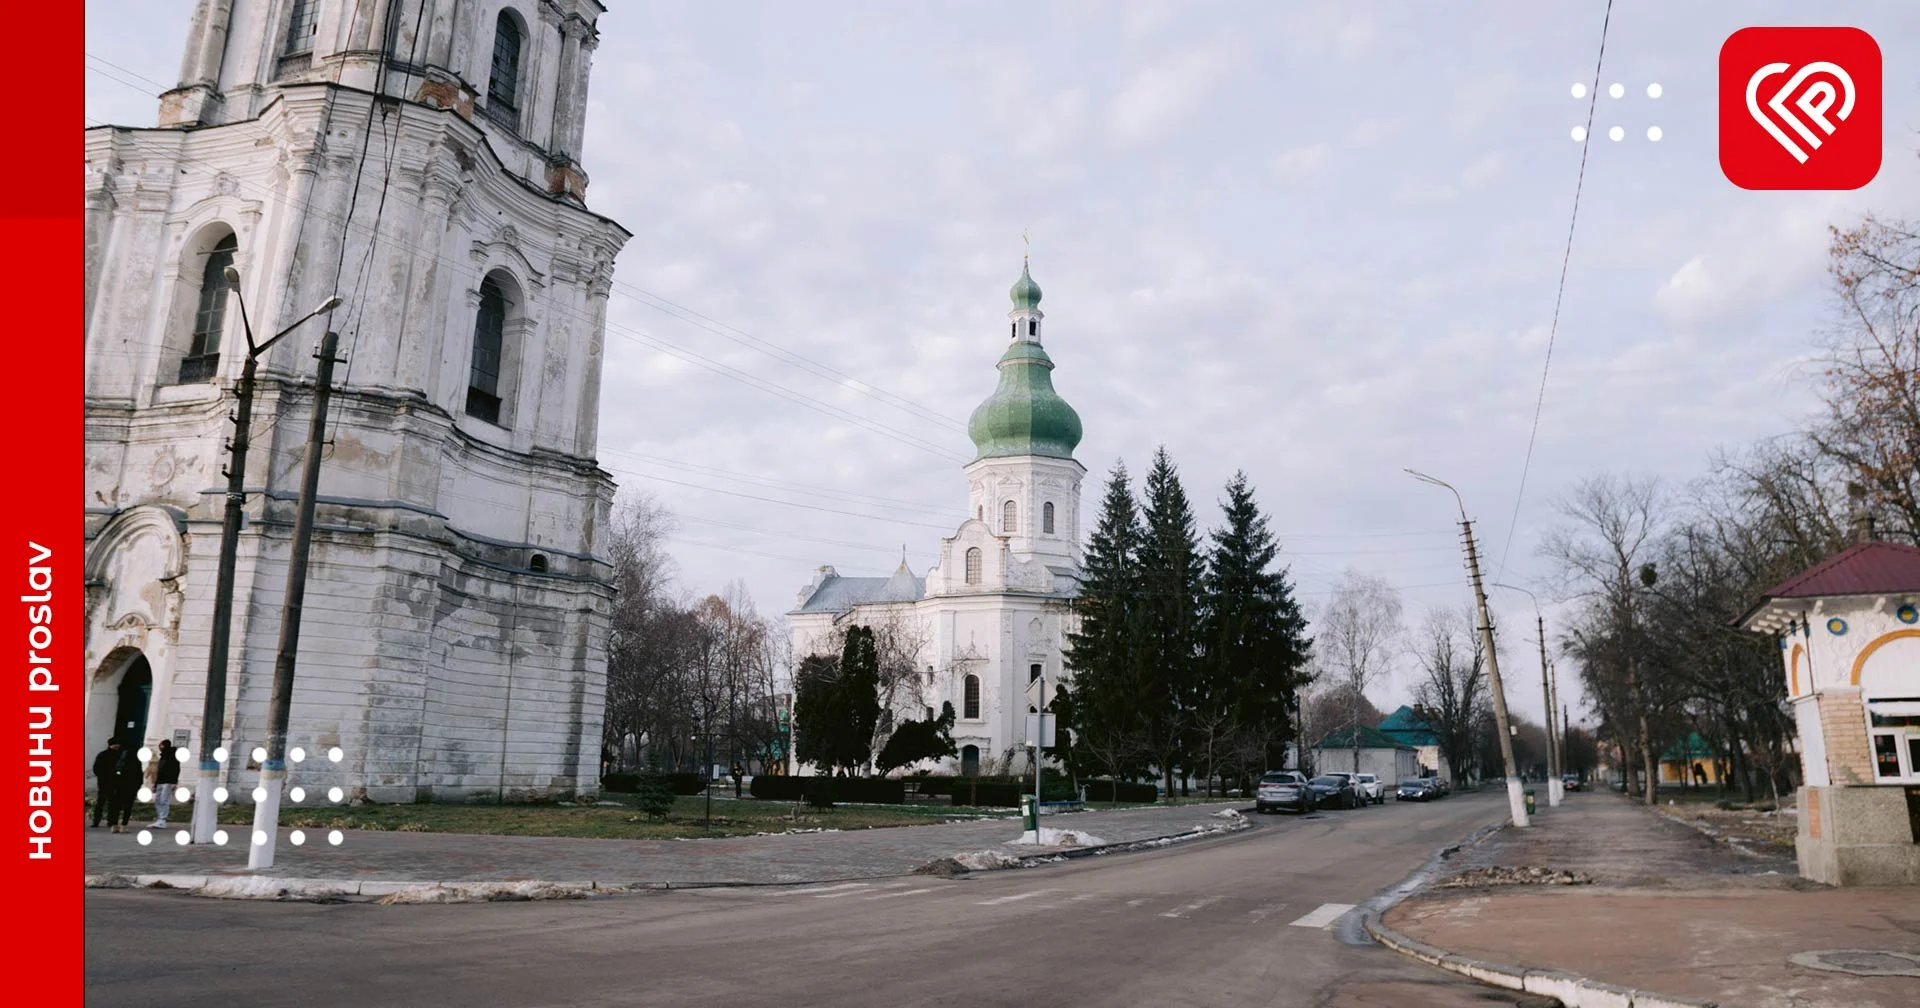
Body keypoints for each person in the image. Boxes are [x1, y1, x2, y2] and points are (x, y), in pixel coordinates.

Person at [105, 740, 140, 833]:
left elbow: (114, 774)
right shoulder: (136, 762)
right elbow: (139, 776)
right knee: (127, 807)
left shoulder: (119, 760)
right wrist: (137, 787)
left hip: (119, 787)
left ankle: (114, 825)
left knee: (116, 807)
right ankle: (123, 826)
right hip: (131, 787)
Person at [91, 739, 125, 828]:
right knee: (112, 803)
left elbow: (96, 768)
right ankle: (111, 821)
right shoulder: (118, 756)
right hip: (113, 783)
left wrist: (101, 777)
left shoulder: (102, 755)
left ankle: (96, 821)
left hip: (103, 782)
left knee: (101, 803)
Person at [149, 739, 181, 828]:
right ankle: (160, 818)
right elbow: (159, 772)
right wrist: (155, 784)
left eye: (161, 745)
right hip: (160, 781)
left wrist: (174, 782)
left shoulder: (173, 756)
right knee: (157, 800)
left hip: (168, 782)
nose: (160, 747)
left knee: (164, 800)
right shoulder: (162, 757)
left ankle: (162, 820)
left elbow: (176, 769)